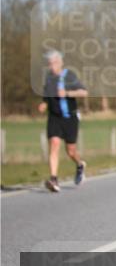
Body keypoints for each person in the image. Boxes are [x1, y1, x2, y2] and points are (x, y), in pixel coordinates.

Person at [37, 50, 88, 193]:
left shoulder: (69, 76)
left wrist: (67, 93)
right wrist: (44, 104)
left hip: (70, 118)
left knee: (70, 151)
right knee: (54, 144)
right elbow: (47, 96)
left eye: (54, 63)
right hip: (54, 117)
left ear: (61, 63)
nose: (51, 66)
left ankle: (79, 165)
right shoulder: (49, 78)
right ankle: (53, 179)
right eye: (49, 64)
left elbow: (84, 92)